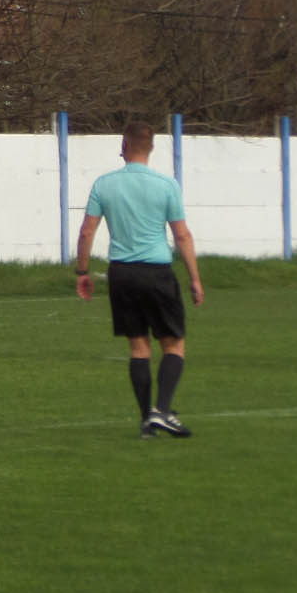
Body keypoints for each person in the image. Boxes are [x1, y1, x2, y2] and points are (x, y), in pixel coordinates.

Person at [75, 121, 204, 438]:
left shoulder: (104, 184)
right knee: (173, 344)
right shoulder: (166, 185)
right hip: (157, 272)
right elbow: (182, 235)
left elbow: (87, 231)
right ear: (151, 148)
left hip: (122, 273)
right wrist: (194, 278)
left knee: (138, 347)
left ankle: (147, 421)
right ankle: (162, 410)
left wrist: (82, 271)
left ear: (124, 146)